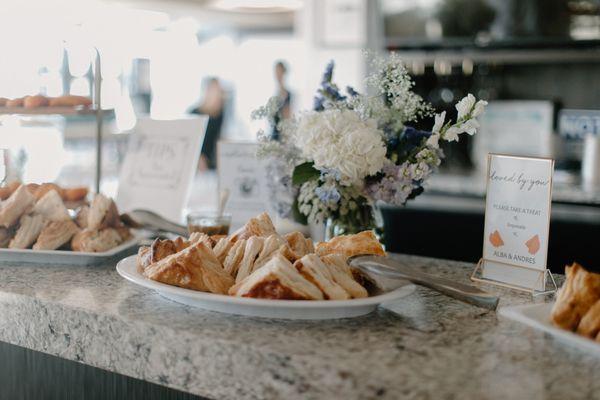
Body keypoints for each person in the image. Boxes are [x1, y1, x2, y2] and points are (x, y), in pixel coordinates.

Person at [190, 78, 225, 170]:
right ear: (207, 91)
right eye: (214, 90)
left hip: (213, 166)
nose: (218, 94)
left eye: (219, 91)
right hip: (197, 164)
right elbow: (190, 141)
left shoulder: (221, 115)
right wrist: (198, 157)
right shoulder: (194, 113)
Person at [271, 60, 291, 140]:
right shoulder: (276, 93)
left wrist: (286, 137)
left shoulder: (287, 94)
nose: (277, 75)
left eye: (279, 72)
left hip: (281, 136)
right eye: (276, 72)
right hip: (273, 134)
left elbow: (287, 118)